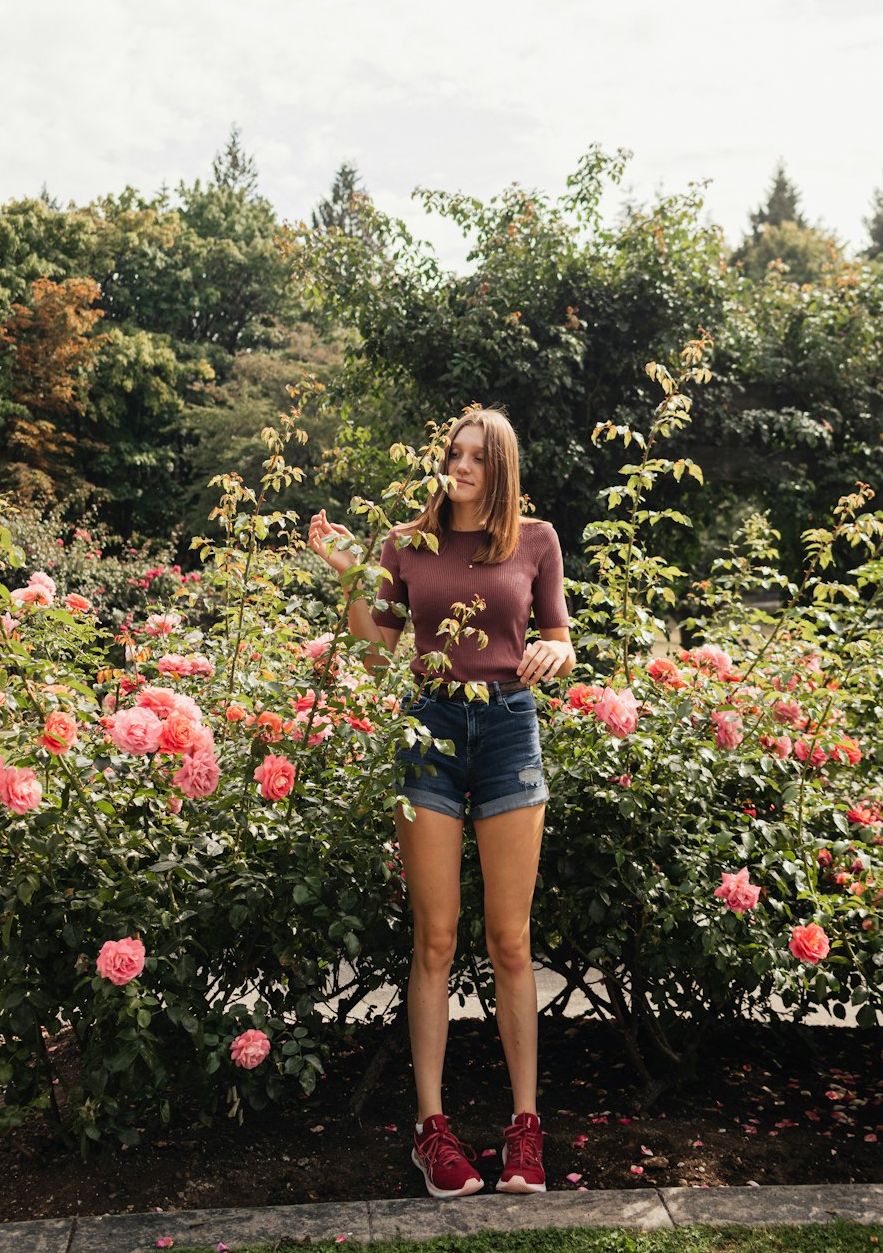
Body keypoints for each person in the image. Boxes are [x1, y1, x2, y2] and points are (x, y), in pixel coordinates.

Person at [309, 409, 575, 1199]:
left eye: (474, 459)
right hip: (428, 729)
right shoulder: (406, 542)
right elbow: (374, 649)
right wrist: (352, 576)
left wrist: (556, 649)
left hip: (508, 729)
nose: (458, 468)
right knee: (435, 937)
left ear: (501, 469)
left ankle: (525, 1129)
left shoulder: (537, 540)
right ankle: (433, 1131)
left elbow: (559, 634)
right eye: (452, 455)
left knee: (510, 939)